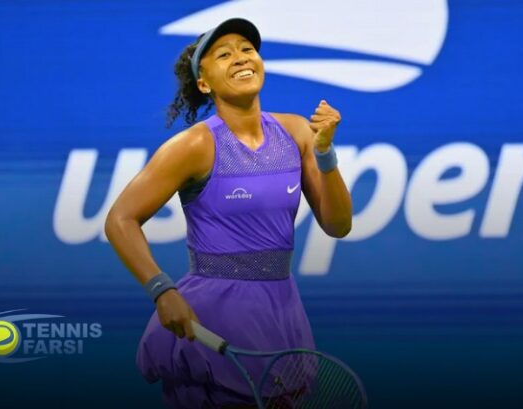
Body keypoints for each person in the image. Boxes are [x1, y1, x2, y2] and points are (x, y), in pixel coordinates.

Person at [104, 17, 352, 408]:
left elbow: (338, 225)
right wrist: (162, 290)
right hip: (210, 315)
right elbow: (120, 219)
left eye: (247, 49)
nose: (240, 58)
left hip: (282, 308)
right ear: (204, 83)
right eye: (224, 54)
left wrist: (324, 153)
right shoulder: (193, 146)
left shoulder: (298, 132)